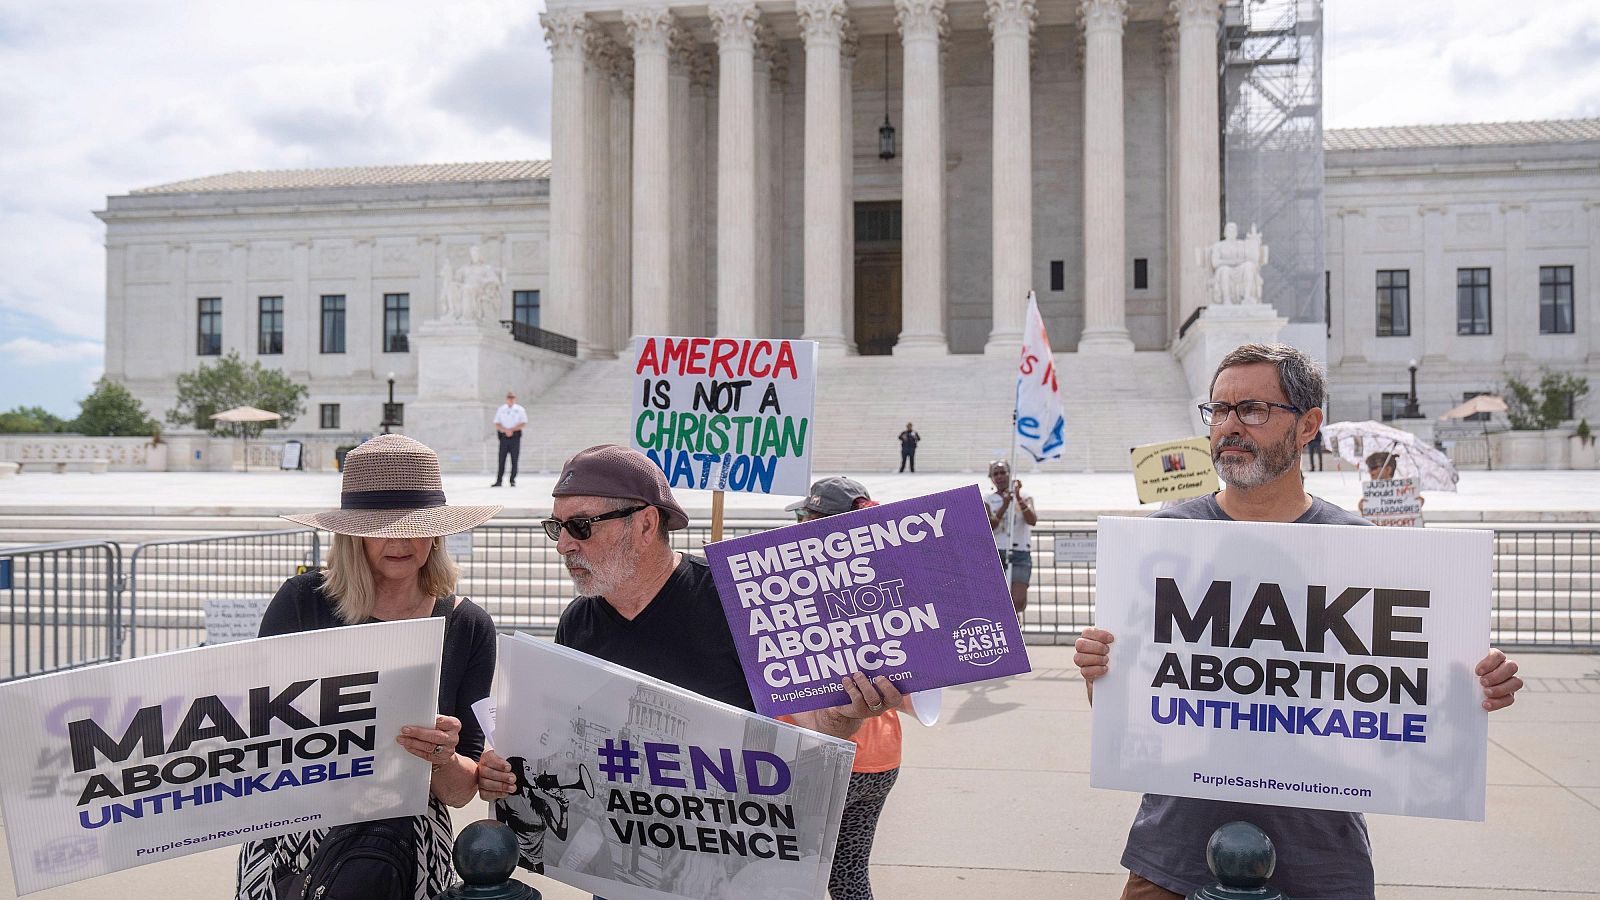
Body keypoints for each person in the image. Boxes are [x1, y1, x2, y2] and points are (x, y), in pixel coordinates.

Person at [1071, 343, 1524, 900]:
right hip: (1175, 849)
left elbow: (1415, 709)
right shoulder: (1166, 537)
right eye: (1219, 410)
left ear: (1308, 425)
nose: (1230, 427)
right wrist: (1102, 674)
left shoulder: (1359, 548)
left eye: (1254, 410)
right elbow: (1134, 703)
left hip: (1319, 854)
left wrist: (1475, 687)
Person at [475, 446, 901, 817]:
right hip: (617, 864)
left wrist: (845, 714)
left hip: (735, 857)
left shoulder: (738, 601)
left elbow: (816, 729)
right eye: (557, 526)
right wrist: (509, 767)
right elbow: (561, 742)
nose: (563, 544)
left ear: (644, 525)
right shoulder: (578, 622)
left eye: (581, 526)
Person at [236, 434, 503, 900]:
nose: (399, 540)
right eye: (380, 525)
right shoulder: (301, 603)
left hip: (406, 847)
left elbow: (461, 793)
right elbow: (251, 738)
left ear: (437, 531)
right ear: (351, 532)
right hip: (295, 837)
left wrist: (440, 754)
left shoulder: (469, 625)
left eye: (415, 525)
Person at [786, 476, 907, 900]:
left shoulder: (796, 588)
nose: (796, 525)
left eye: (804, 517)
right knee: (848, 875)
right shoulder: (881, 585)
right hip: (879, 758)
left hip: (817, 758)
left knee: (785, 878)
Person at [984, 460, 1037, 615]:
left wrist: (1018, 498)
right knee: (996, 600)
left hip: (1019, 551)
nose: (1000, 476)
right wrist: (1004, 506)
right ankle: (1009, 627)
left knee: (1018, 601)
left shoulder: (1025, 496)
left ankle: (1012, 621)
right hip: (996, 551)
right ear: (991, 478)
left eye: (1003, 472)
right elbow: (990, 525)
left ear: (1010, 474)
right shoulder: (987, 498)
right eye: (996, 473)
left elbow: (1032, 520)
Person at [491, 390, 527, 487]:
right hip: (504, 437)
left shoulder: (520, 409)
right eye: (509, 398)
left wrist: (512, 430)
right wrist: (505, 430)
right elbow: (497, 423)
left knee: (514, 459)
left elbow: (523, 423)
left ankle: (512, 480)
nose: (510, 400)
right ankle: (499, 480)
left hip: (515, 437)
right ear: (507, 399)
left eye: (512, 398)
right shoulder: (501, 409)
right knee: (501, 459)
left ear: (515, 399)